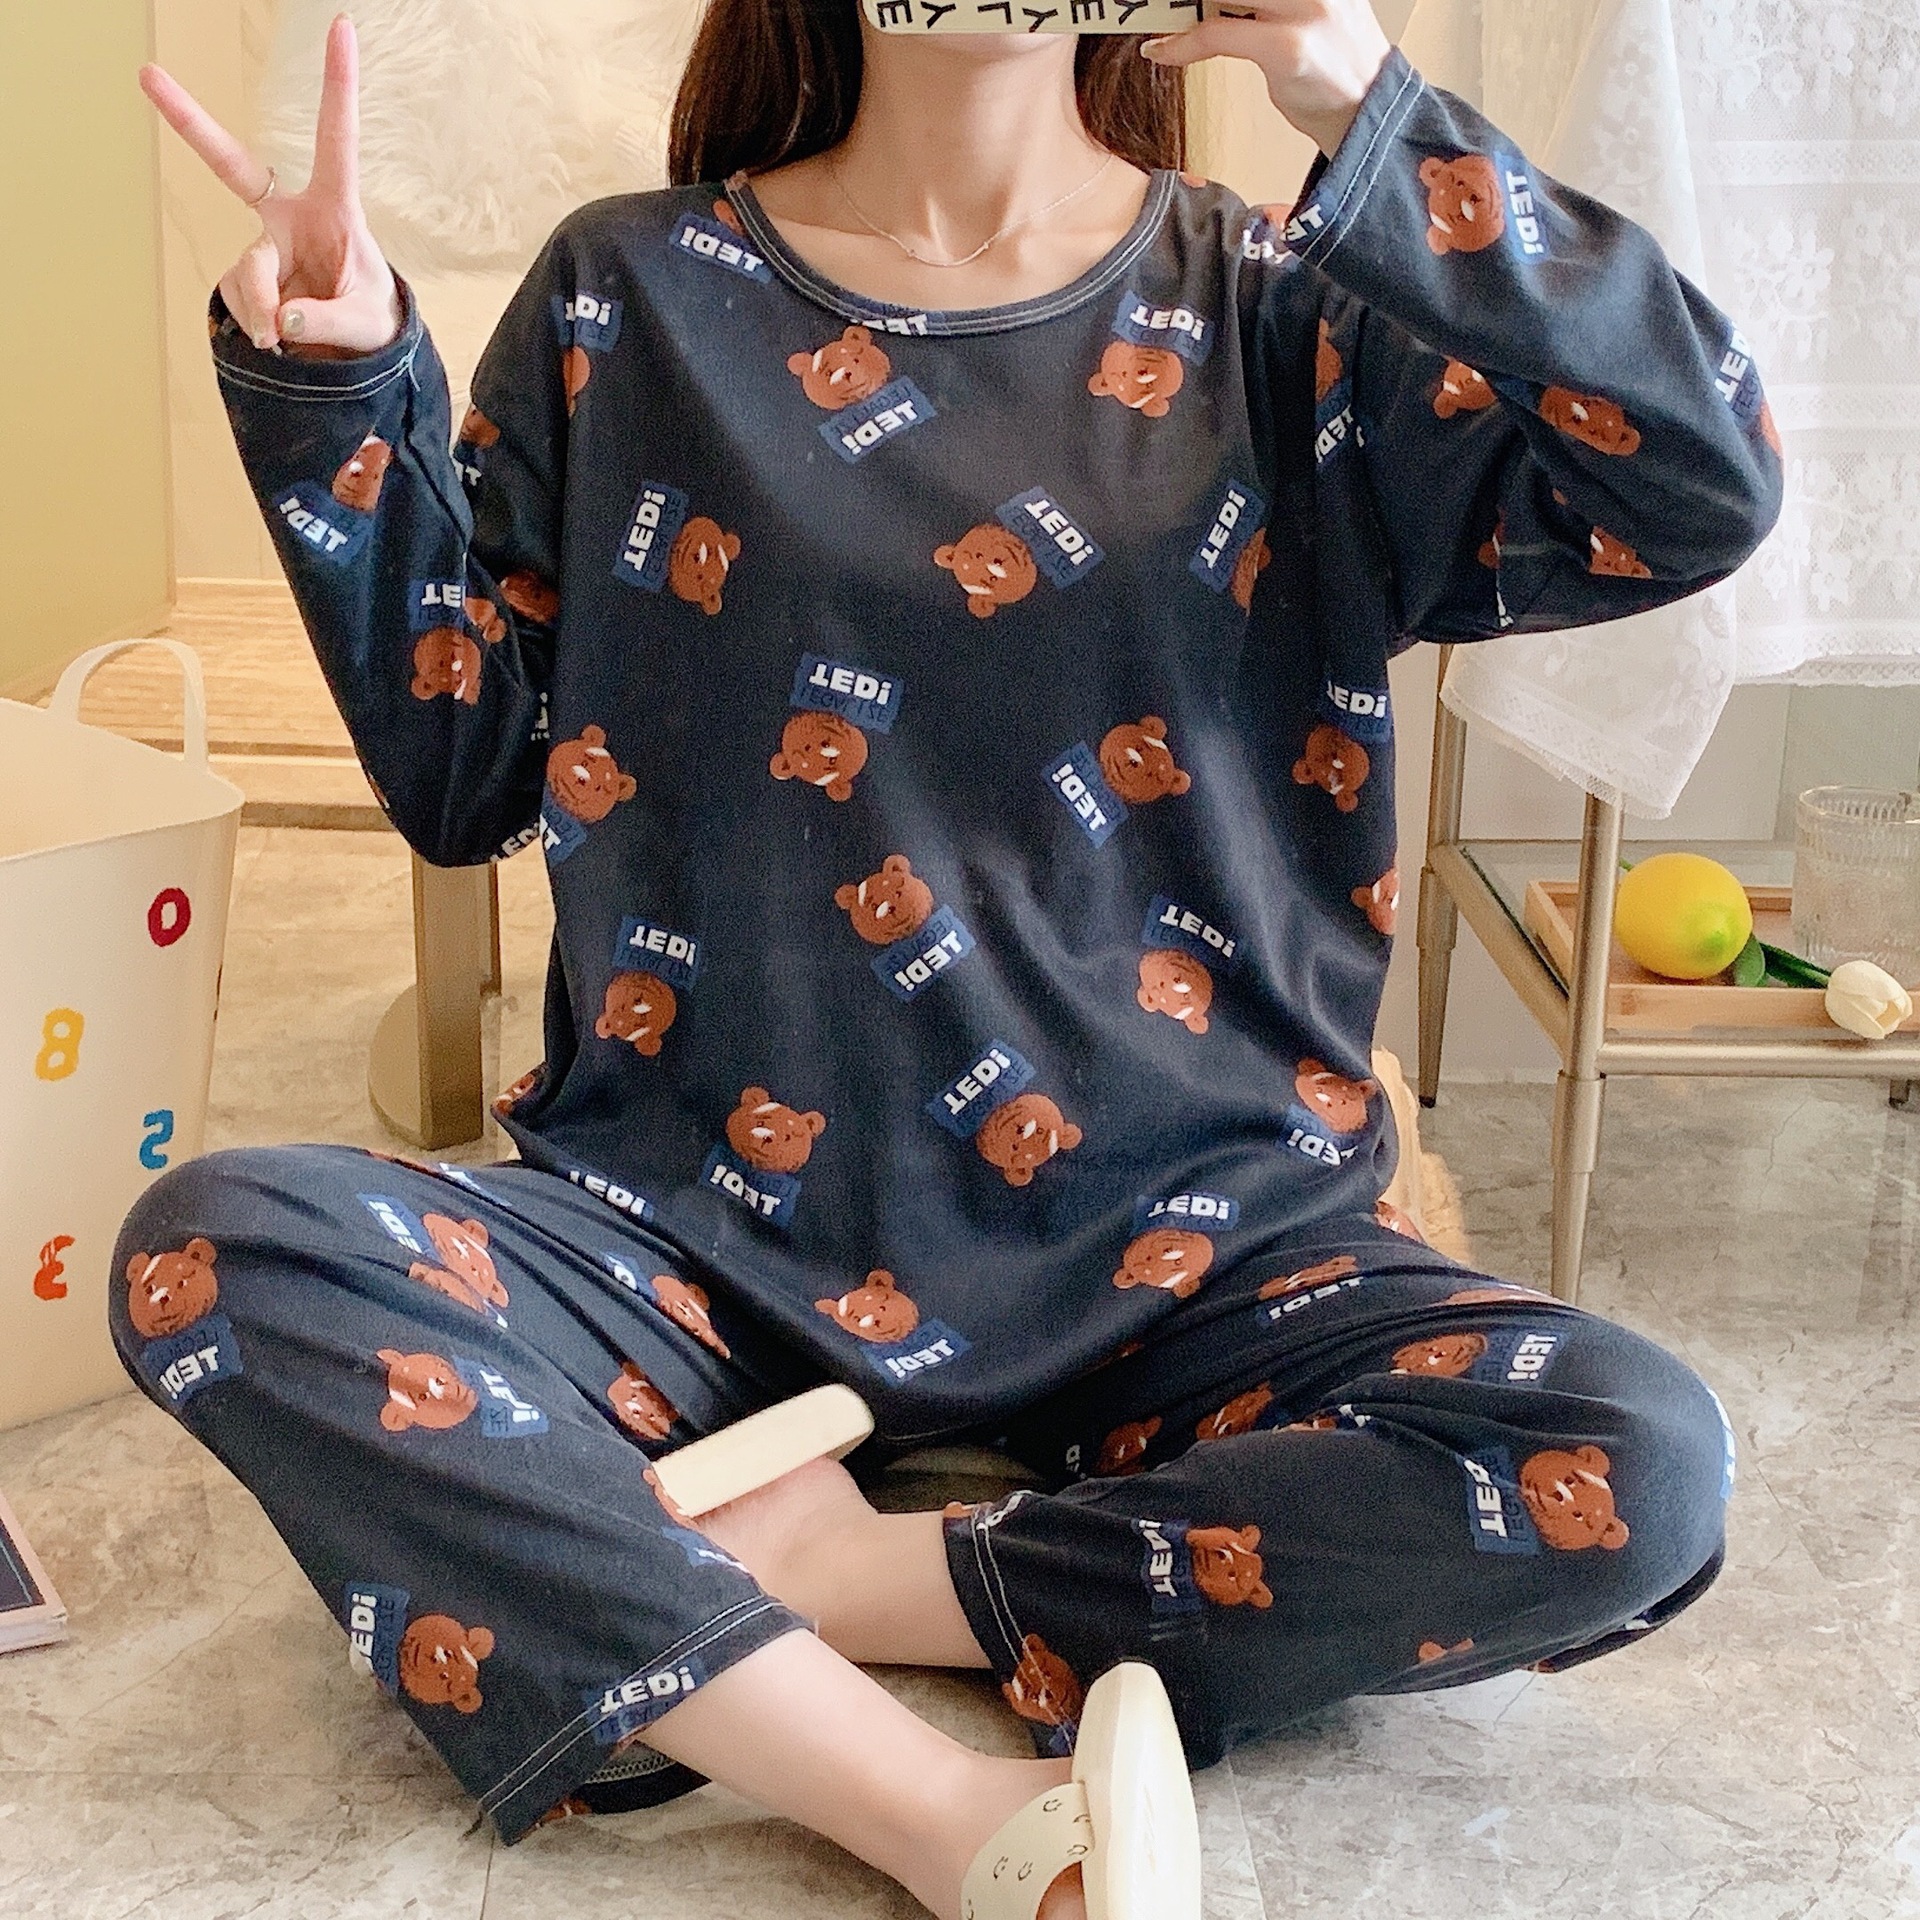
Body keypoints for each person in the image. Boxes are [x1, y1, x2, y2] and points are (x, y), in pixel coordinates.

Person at [125, 3, 1776, 1915]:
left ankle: (839, 1588)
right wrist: (337, 392)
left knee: (1635, 1456)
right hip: (700, 1240)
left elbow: (1696, 482)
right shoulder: (629, 293)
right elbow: (464, 771)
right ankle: (932, 1809)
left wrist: (1359, 99)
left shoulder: (1287, 306)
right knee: (223, 1251)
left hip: (1206, 1245)